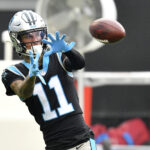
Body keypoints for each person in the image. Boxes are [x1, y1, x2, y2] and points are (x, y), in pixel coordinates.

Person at [1, 10, 97, 150]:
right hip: (56, 145)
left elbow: (79, 63)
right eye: (29, 36)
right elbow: (23, 92)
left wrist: (66, 49)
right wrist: (32, 74)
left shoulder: (56, 56)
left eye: (39, 33)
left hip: (83, 140)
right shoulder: (12, 72)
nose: (36, 39)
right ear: (18, 40)